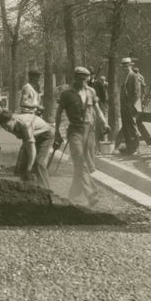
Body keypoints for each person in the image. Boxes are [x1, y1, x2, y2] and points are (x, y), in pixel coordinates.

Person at [54, 66, 101, 202]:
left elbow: (97, 109)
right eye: (80, 79)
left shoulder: (91, 91)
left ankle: (73, 195)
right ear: (75, 78)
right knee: (80, 160)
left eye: (85, 79)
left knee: (85, 166)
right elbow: (58, 113)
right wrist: (57, 131)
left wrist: (104, 123)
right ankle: (92, 194)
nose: (82, 82)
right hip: (75, 131)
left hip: (89, 131)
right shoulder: (67, 94)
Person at [0, 108, 55, 191]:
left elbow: (32, 150)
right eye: (4, 127)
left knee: (39, 163)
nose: (7, 129)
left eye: (7, 126)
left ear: (13, 120)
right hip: (33, 135)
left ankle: (47, 190)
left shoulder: (25, 125)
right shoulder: (12, 123)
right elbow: (26, 140)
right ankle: (26, 190)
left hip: (45, 136)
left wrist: (29, 168)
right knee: (22, 165)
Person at [119, 57, 143, 155]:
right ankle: (129, 148)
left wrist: (131, 104)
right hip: (124, 105)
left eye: (126, 66)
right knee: (126, 127)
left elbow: (137, 93)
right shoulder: (125, 76)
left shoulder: (133, 76)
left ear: (130, 66)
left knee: (132, 127)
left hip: (131, 106)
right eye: (123, 66)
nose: (124, 68)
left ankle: (135, 148)